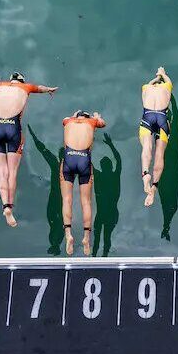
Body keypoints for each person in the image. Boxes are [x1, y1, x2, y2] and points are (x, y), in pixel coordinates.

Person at [0, 72, 57, 227]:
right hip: (13, 128)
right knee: (12, 172)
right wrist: (49, 89)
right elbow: (40, 88)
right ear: (21, 81)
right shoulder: (26, 87)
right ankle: (9, 207)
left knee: (2, 171)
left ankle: (5, 205)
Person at [60, 109, 106, 255]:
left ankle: (68, 234)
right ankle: (86, 238)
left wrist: (74, 115)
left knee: (67, 199)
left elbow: (66, 119)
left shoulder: (68, 121)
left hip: (69, 158)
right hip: (84, 160)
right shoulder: (92, 122)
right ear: (88, 117)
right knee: (86, 202)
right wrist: (96, 116)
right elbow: (102, 123)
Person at [139, 67, 173, 207]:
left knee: (147, 147)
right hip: (161, 117)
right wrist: (163, 74)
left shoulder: (146, 88)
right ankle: (154, 186)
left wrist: (156, 77)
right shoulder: (166, 87)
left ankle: (145, 173)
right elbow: (169, 82)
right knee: (159, 153)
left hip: (147, 116)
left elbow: (150, 83)